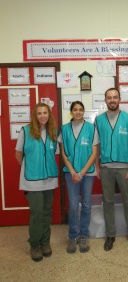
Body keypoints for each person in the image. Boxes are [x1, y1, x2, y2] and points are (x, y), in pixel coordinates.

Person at [95, 88, 128, 251]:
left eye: (115, 97)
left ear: (119, 99)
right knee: (107, 202)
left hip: (125, 168)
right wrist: (96, 166)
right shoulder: (99, 120)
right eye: (109, 97)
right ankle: (111, 235)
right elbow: (97, 144)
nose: (112, 100)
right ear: (105, 100)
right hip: (106, 167)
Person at [15, 102, 58, 262]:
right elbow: (18, 154)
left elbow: (55, 153)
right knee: (37, 213)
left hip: (49, 180)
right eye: (39, 113)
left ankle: (45, 243)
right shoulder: (26, 131)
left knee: (47, 212)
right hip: (32, 181)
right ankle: (34, 245)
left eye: (45, 113)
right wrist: (31, 167)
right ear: (35, 115)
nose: (42, 116)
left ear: (49, 114)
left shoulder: (53, 131)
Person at [59, 101, 98, 254]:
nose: (78, 112)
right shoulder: (64, 129)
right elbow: (63, 152)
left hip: (87, 173)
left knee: (87, 204)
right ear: (71, 111)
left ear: (84, 112)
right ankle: (73, 236)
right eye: (75, 110)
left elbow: (94, 153)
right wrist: (73, 172)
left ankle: (84, 235)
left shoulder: (91, 128)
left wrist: (81, 173)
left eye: (81, 110)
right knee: (74, 205)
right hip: (70, 173)